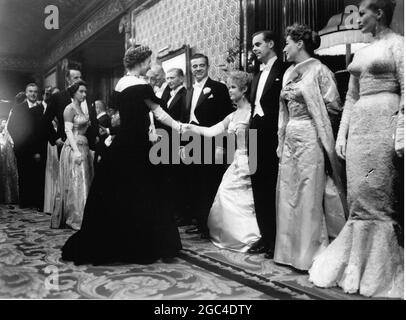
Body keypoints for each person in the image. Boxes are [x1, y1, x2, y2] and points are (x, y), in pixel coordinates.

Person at [309, 0, 404, 298]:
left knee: (379, 192)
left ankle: (377, 268)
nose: (359, 18)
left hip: (385, 120)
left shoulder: (398, 45)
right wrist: (342, 134)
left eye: (363, 13)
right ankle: (354, 262)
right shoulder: (361, 52)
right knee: (359, 194)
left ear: (379, 13)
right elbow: (350, 97)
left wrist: (401, 128)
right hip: (360, 125)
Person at [61, 45, 182, 265]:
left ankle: (117, 240)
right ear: (141, 62)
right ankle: (141, 243)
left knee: (118, 191)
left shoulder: (121, 83)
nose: (149, 65)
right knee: (145, 191)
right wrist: (180, 127)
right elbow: (158, 111)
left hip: (124, 143)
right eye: (147, 61)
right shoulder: (141, 85)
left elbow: (120, 115)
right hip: (138, 145)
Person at [274, 24, 347, 271]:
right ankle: (288, 252)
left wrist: (319, 129)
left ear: (299, 44)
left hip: (310, 135)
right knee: (288, 191)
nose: (284, 48)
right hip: (290, 137)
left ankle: (309, 253)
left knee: (308, 191)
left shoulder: (320, 70)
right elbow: (282, 111)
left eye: (286, 43)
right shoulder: (287, 73)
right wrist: (281, 139)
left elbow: (334, 107)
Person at [184, 71, 261, 252]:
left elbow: (257, 141)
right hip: (236, 161)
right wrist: (190, 127)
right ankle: (231, 236)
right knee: (225, 194)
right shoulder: (233, 115)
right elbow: (212, 131)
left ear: (244, 89)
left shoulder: (253, 112)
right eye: (228, 87)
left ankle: (252, 237)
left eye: (233, 87)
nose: (229, 91)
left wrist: (251, 162)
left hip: (250, 160)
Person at [181, 53, 234, 239]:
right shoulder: (188, 91)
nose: (197, 69)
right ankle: (200, 222)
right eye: (194, 66)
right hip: (191, 143)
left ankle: (209, 225)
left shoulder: (218, 88)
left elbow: (225, 118)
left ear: (207, 66)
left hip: (212, 142)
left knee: (209, 182)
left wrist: (222, 146)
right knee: (194, 182)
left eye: (201, 66)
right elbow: (184, 119)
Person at [247, 31, 287, 258]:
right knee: (257, 187)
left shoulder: (284, 69)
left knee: (272, 187)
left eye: (258, 44)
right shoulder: (255, 74)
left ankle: (275, 240)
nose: (254, 49)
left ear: (271, 44)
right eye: (253, 45)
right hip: (254, 136)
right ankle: (265, 236)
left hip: (273, 135)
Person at [51, 81, 94, 230]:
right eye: (81, 91)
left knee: (84, 182)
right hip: (74, 147)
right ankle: (76, 218)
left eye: (85, 92)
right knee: (77, 182)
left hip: (84, 146)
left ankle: (85, 216)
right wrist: (76, 151)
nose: (84, 94)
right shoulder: (69, 109)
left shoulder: (81, 108)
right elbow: (68, 132)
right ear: (74, 92)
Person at [7, 83, 48, 211]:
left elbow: (43, 129)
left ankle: (37, 202)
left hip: (39, 148)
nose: (33, 94)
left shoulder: (42, 108)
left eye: (35, 91)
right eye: (30, 91)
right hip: (23, 148)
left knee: (38, 175)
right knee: (24, 174)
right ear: (26, 93)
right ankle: (25, 201)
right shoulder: (18, 108)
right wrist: (21, 143)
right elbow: (11, 127)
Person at [43, 68, 98, 157]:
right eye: (76, 78)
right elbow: (45, 121)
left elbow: (94, 119)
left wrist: (95, 135)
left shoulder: (87, 96)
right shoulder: (58, 97)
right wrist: (55, 139)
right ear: (68, 80)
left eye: (80, 77)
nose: (79, 80)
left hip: (89, 144)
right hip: (67, 145)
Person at [0, 118, 19, 204]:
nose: (4, 123)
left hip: (9, 156)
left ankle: (11, 196)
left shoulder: (8, 133)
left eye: (5, 122)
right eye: (3, 122)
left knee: (11, 174)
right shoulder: (2, 135)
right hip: (3, 157)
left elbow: (12, 143)